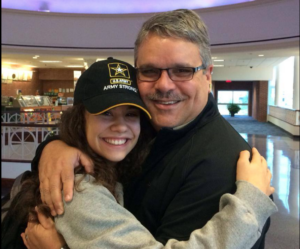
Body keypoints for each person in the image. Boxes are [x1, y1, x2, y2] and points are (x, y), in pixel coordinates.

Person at [25, 9, 273, 248]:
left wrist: (250, 205)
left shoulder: (221, 165)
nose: (164, 85)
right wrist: (53, 148)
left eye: (182, 70)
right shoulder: (149, 131)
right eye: (150, 71)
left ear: (207, 75)